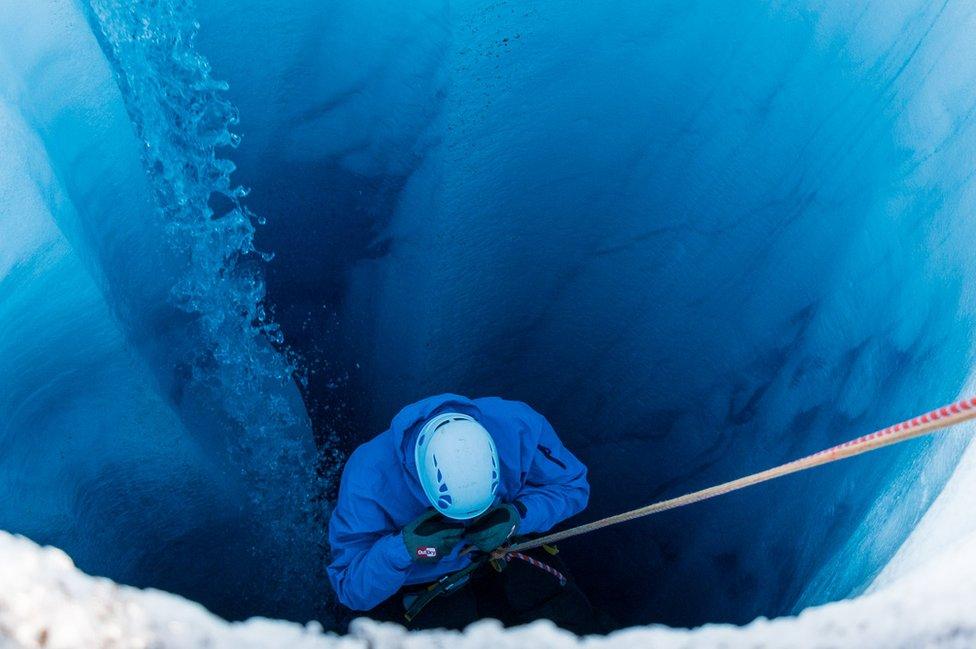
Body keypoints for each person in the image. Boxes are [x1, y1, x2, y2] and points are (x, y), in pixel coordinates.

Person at [327, 393, 598, 632]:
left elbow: (572, 486)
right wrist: (403, 549)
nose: (467, 523)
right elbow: (349, 588)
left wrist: (519, 515)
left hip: (509, 556)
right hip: (427, 591)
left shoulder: (519, 428)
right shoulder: (368, 479)